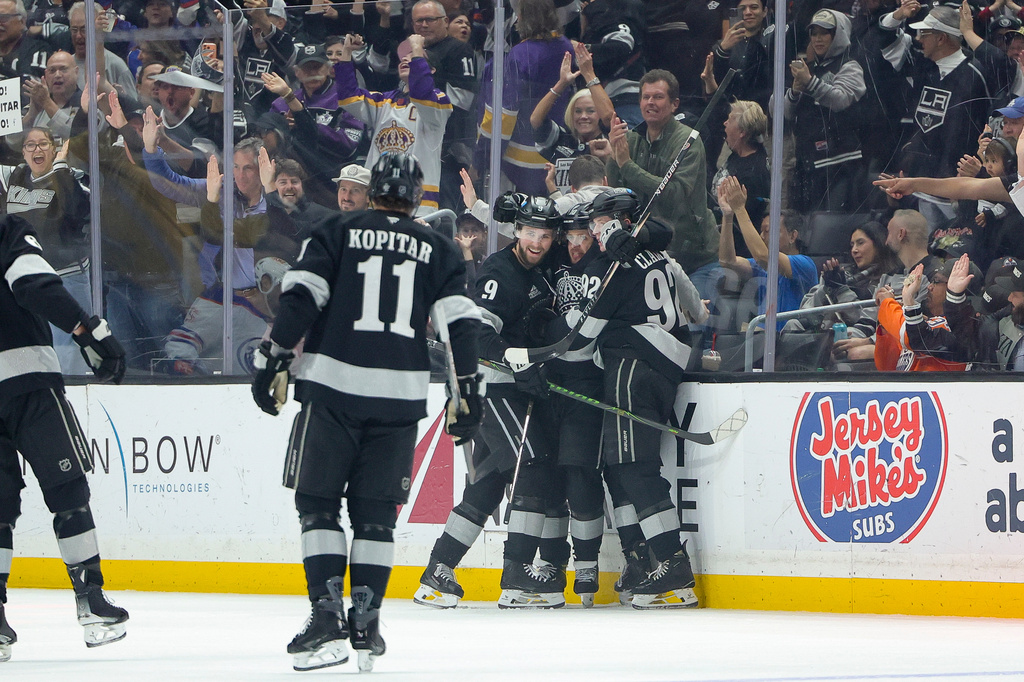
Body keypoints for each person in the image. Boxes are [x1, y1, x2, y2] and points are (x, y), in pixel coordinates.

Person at [251, 152, 482, 672]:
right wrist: (466, 390)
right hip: (399, 399)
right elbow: (460, 326)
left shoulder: (336, 230)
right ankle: (367, 621)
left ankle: (327, 615)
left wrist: (274, 357)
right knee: (376, 516)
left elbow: (301, 298)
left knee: (318, 504)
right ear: (417, 194)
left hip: (333, 391)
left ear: (373, 190)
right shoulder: (440, 249)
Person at [542, 187, 709, 608]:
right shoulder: (662, 259)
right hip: (666, 368)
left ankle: (673, 568)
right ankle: (652, 562)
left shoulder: (613, 266)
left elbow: (584, 341)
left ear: (617, 222)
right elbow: (699, 312)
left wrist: (545, 358)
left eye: (598, 224)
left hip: (630, 369)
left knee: (634, 469)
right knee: (631, 468)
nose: (594, 232)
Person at [414, 195, 568, 610]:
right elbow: (479, 337)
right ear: (517, 232)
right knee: (533, 463)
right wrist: (519, 361)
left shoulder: (544, 267)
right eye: (531, 233)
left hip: (506, 386)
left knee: (489, 481)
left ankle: (438, 571)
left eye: (546, 235)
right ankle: (517, 575)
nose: (538, 242)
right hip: (490, 384)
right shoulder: (500, 271)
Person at [0, 212, 128, 661]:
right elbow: (33, 283)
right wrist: (88, 329)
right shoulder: (7, 230)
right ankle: (91, 601)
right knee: (67, 489)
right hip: (27, 384)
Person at [606, 69, 719, 299]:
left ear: (674, 104)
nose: (650, 102)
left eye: (658, 97)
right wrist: (612, 155)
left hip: (695, 257)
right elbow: (615, 190)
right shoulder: (632, 138)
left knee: (694, 325)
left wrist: (626, 164)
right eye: (645, 97)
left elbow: (674, 193)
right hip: (652, 252)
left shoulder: (689, 142)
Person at [877, 3, 992, 227]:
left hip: (957, 189)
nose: (918, 39)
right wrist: (900, 14)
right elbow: (884, 40)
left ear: (941, 38)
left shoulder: (978, 73)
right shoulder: (923, 66)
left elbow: (989, 126)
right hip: (920, 184)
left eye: (924, 33)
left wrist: (977, 171)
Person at [0, 128, 91, 374]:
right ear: (23, 152)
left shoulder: (69, 175)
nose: (37, 149)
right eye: (30, 145)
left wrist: (61, 167)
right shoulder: (14, 175)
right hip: (28, 279)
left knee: (70, 348)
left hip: (66, 276)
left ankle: (74, 390)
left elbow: (77, 209)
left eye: (43, 144)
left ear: (54, 148)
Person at [336, 33, 452, 214]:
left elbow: (421, 92)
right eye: (404, 57)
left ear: (432, 70)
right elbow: (347, 97)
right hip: (376, 203)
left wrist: (417, 50)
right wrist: (346, 52)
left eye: (413, 57)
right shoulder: (383, 101)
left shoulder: (439, 102)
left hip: (418, 207)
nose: (406, 58)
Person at [475, 0, 573, 196]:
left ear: (522, 18)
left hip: (520, 163)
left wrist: (481, 159)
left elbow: (504, 115)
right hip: (559, 155)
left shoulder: (520, 55)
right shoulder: (565, 46)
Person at [783, 9, 867, 213]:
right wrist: (794, 91)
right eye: (814, 33)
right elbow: (782, 112)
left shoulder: (850, 66)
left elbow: (841, 99)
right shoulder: (807, 68)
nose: (818, 39)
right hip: (808, 164)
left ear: (838, 34)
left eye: (825, 33)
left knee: (829, 227)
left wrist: (810, 83)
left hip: (841, 167)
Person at [718, 176, 818, 330]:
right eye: (761, 231)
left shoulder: (805, 264)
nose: (761, 237)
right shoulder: (761, 265)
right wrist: (728, 215)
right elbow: (728, 261)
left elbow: (764, 257)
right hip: (763, 344)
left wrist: (740, 209)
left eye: (768, 231)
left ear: (793, 236)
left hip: (793, 344)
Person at [531, 44, 614, 197]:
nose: (583, 116)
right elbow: (536, 120)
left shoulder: (609, 141)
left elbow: (610, 117)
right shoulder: (562, 140)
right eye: (578, 111)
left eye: (591, 111)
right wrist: (561, 83)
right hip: (561, 212)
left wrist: (589, 74)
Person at [873, 256, 980, 370]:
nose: (929, 287)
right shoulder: (925, 322)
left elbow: (909, 335)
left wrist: (888, 304)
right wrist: (886, 326)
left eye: (936, 281)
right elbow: (886, 367)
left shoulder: (951, 329)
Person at [711, 99, 771, 255]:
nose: (725, 123)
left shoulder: (754, 172)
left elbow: (744, 219)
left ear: (742, 132)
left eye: (730, 120)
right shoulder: (737, 154)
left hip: (738, 250)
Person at [21, 50, 79, 141]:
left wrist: (47, 103)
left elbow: (77, 138)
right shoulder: (36, 103)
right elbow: (13, 143)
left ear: (76, 72)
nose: (57, 75)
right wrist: (31, 115)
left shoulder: (88, 104)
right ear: (46, 75)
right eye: (52, 70)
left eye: (63, 69)